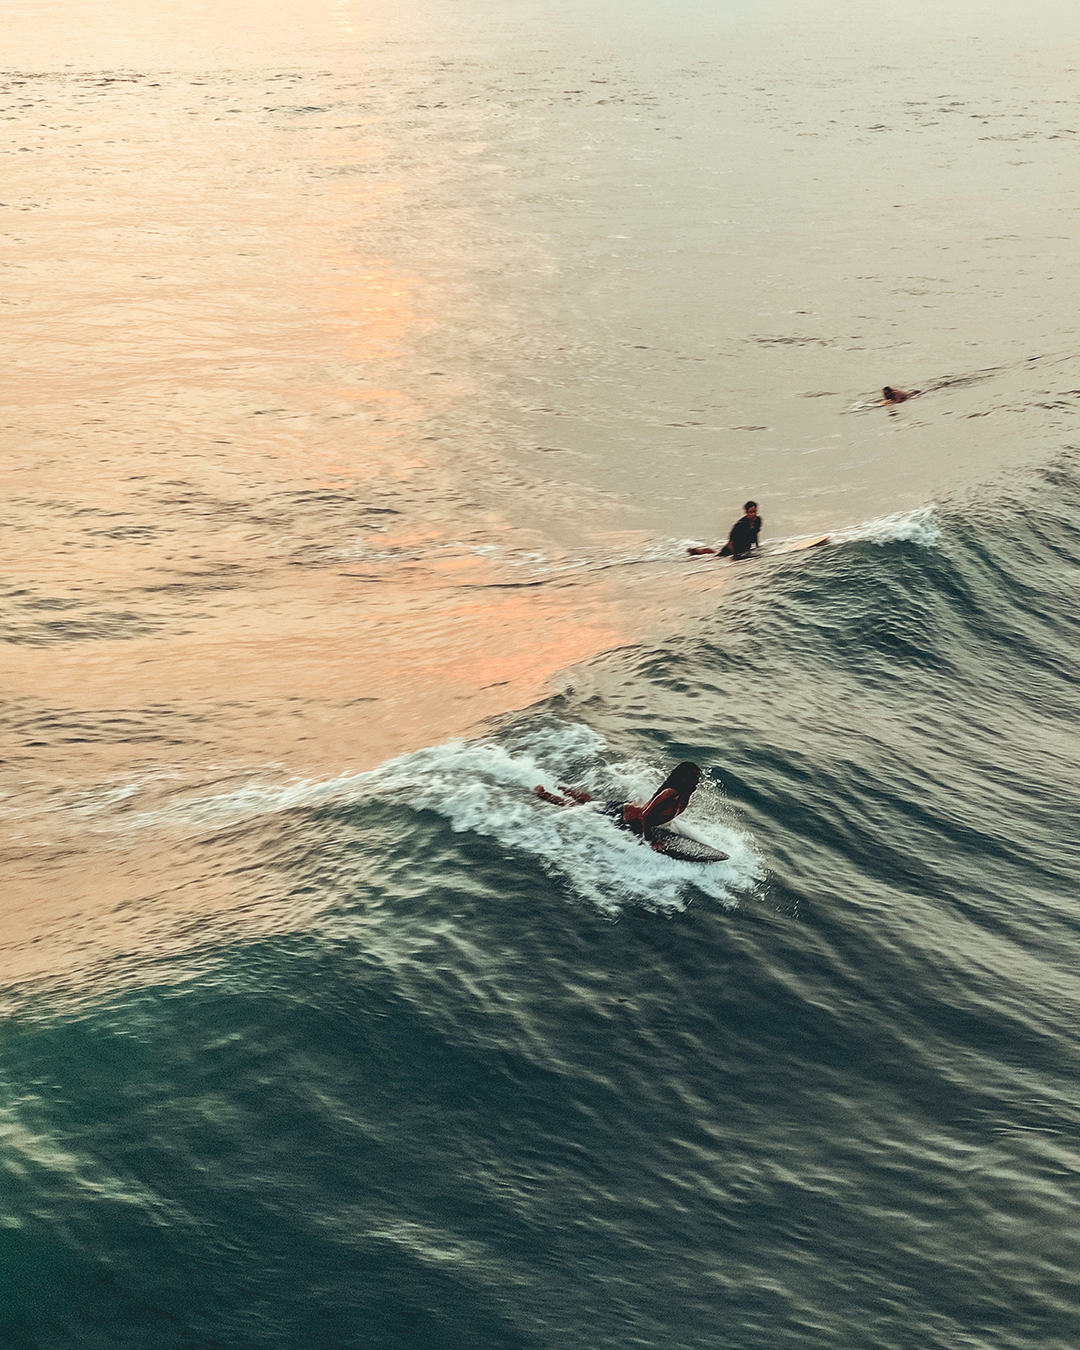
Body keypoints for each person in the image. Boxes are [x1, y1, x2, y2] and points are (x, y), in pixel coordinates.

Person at [534, 762, 702, 853]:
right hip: (620, 816)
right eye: (695, 779)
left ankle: (560, 787)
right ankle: (544, 794)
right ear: (685, 780)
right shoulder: (670, 793)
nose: (698, 782)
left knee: (590, 802)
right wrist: (651, 840)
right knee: (576, 807)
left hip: (626, 809)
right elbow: (645, 816)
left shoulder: (684, 796)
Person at [688, 501, 763, 559]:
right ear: (746, 512)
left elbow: (756, 534)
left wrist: (757, 547)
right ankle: (697, 552)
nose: (753, 514)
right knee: (715, 557)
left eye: (755, 511)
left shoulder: (758, 521)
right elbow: (730, 543)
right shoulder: (740, 525)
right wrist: (735, 555)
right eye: (751, 512)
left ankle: (699, 551)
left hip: (745, 548)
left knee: (715, 552)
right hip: (732, 549)